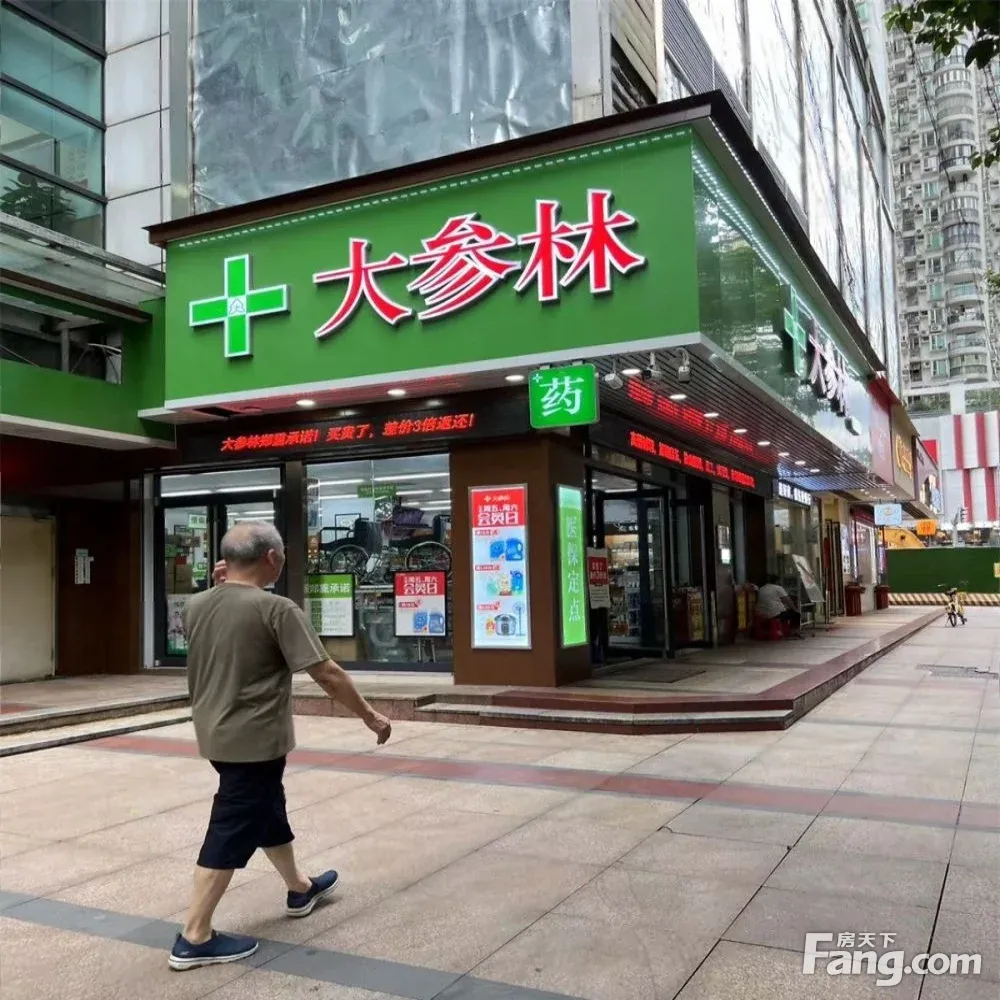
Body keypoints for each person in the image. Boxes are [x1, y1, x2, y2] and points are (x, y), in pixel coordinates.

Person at [169, 521, 391, 972]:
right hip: (255, 740)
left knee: (268, 807)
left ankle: (299, 887)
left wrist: (221, 586)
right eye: (283, 555)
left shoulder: (195, 605)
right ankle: (194, 936)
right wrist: (371, 716)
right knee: (232, 826)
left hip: (215, 734)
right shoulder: (277, 609)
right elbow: (326, 673)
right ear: (271, 558)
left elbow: (227, 634)